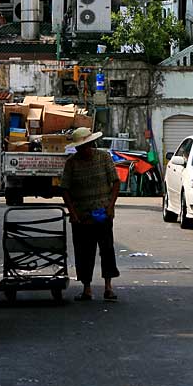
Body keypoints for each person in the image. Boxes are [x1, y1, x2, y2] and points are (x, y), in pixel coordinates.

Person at [60, 127, 121, 301]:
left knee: (107, 250)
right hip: (81, 216)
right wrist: (72, 213)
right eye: (80, 147)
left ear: (91, 144)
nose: (84, 150)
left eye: (86, 146)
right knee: (83, 252)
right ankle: (86, 288)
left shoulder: (104, 158)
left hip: (102, 213)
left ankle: (108, 287)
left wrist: (110, 206)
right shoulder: (71, 163)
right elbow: (65, 189)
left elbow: (115, 182)